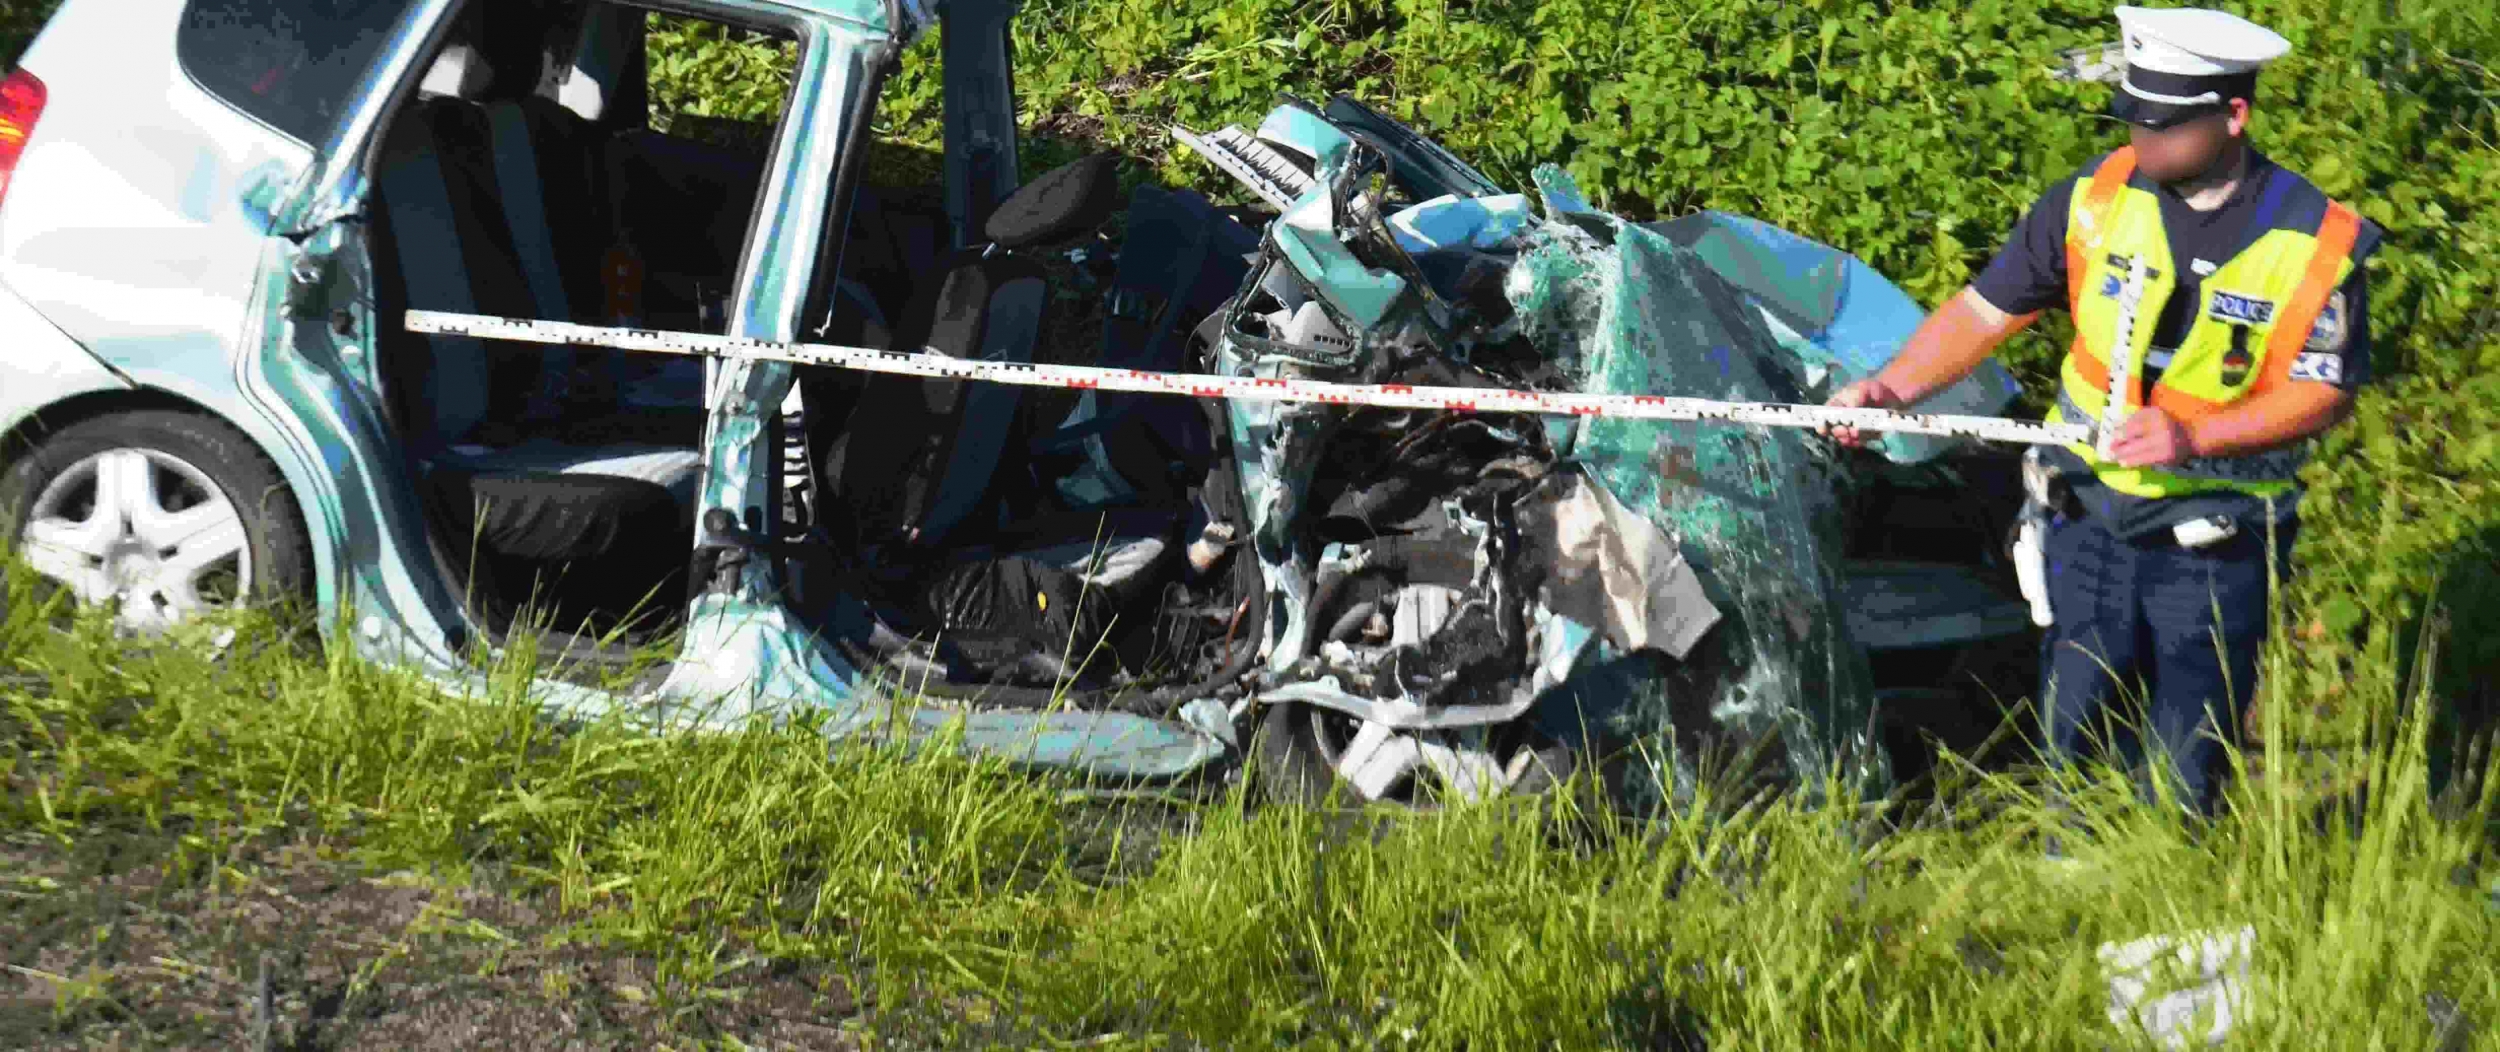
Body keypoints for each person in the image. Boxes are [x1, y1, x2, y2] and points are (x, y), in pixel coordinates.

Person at [1823, 6, 2382, 821]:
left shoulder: (2315, 241)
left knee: (2189, 743)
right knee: (2075, 720)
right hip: (2087, 515)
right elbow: (1984, 311)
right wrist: (1892, 390)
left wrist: (2194, 435)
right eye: (2133, 118)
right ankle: (2070, 869)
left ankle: (2175, 869)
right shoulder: (2095, 199)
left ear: (2234, 115)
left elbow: (2325, 390)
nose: (2142, 139)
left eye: (2165, 124)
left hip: (2217, 533)